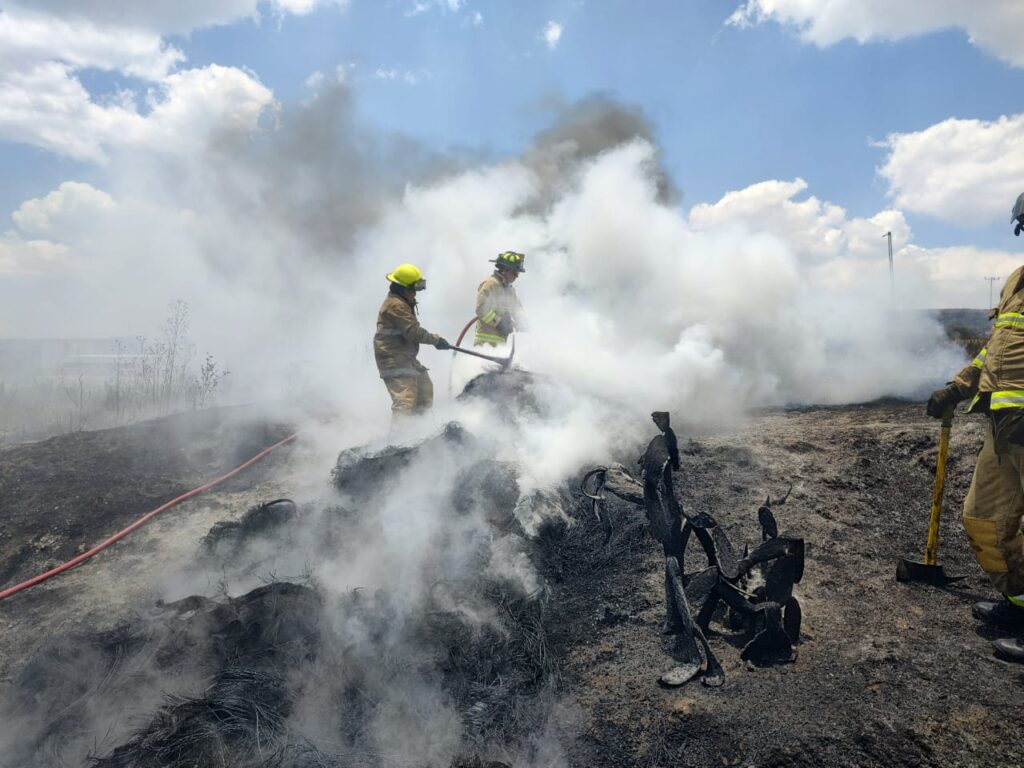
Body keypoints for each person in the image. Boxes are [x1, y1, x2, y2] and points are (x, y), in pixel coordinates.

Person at [927, 192, 1024, 662]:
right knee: (983, 518)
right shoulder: (1016, 281)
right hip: (1006, 426)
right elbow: (996, 349)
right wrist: (959, 386)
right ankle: (1019, 604)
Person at [373, 263, 450, 418]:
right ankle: (400, 433)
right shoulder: (396, 305)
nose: (415, 293)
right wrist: (436, 340)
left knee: (424, 390)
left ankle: (417, 429)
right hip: (392, 358)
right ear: (403, 288)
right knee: (405, 401)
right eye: (413, 289)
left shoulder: (402, 301)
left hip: (405, 356)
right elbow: (413, 332)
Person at [474, 251, 525, 347]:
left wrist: (523, 322)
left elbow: (517, 309)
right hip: (484, 345)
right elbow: (481, 309)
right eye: (515, 273)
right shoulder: (491, 284)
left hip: (501, 346)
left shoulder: (509, 290)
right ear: (505, 269)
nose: (516, 276)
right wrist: (499, 324)